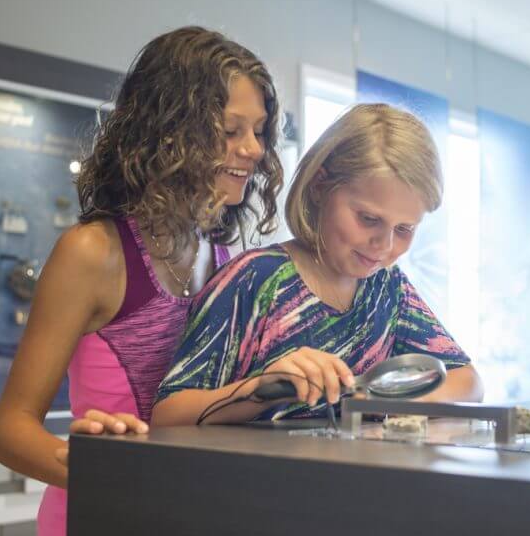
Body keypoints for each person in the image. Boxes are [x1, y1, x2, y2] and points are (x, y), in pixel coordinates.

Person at [0, 26, 284, 536]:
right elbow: (10, 429)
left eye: (258, 131)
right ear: (168, 130)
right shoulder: (92, 252)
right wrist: (107, 472)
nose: (253, 150)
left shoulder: (226, 258)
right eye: (230, 131)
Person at [151, 103, 482, 427]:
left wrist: (399, 403)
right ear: (320, 186)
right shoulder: (255, 279)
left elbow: (468, 381)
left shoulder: (387, 288)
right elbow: (167, 414)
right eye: (368, 219)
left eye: (404, 229)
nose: (384, 245)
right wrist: (259, 390)